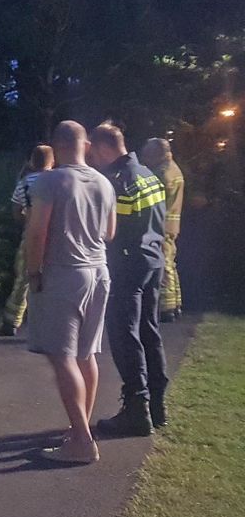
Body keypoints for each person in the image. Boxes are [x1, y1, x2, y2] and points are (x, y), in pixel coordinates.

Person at [23, 121, 115, 464]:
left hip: (64, 274)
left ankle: (81, 441)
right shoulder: (103, 182)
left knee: (62, 358)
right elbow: (109, 232)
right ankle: (80, 431)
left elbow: (37, 233)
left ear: (55, 145)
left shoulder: (51, 180)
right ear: (86, 145)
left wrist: (34, 273)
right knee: (86, 355)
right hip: (99, 272)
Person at [88, 123, 169, 435]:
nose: (93, 159)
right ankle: (158, 405)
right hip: (153, 260)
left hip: (128, 266)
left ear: (104, 148)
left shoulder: (119, 182)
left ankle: (137, 408)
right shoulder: (149, 174)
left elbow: (111, 234)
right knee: (150, 331)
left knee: (125, 335)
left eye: (94, 153)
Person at [1, 145, 55, 335]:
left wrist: (29, 221)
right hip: (56, 237)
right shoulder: (58, 181)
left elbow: (16, 211)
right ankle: (50, 323)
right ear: (52, 161)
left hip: (31, 235)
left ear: (32, 161)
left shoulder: (24, 183)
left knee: (23, 278)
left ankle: (11, 322)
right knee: (54, 279)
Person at [141, 138, 185, 323]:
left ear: (158, 153)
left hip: (162, 225)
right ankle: (175, 304)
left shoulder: (162, 173)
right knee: (170, 263)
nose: (145, 158)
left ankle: (166, 308)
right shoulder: (174, 169)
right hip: (171, 224)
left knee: (165, 264)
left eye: (148, 154)